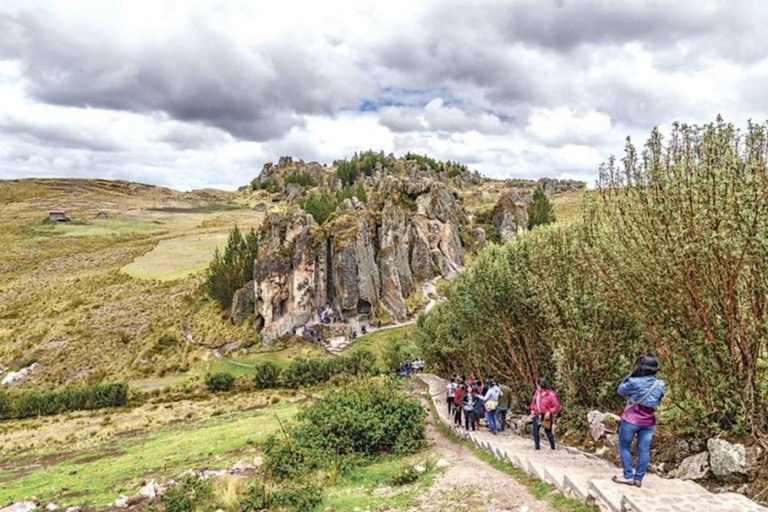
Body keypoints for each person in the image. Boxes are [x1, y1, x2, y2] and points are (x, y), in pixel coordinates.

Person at [613, 354, 665, 489]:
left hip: (631, 420)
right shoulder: (660, 384)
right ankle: (638, 478)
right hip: (649, 421)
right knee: (644, 450)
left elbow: (620, 391)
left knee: (624, 446)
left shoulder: (634, 382)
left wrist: (630, 375)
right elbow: (658, 401)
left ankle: (628, 476)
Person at [530, 378, 561, 450]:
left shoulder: (551, 395)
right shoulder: (537, 393)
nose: (537, 387)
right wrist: (532, 409)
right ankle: (537, 447)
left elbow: (557, 406)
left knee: (548, 432)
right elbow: (533, 401)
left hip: (546, 415)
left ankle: (552, 447)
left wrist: (549, 412)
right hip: (537, 414)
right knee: (535, 432)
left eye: (538, 385)